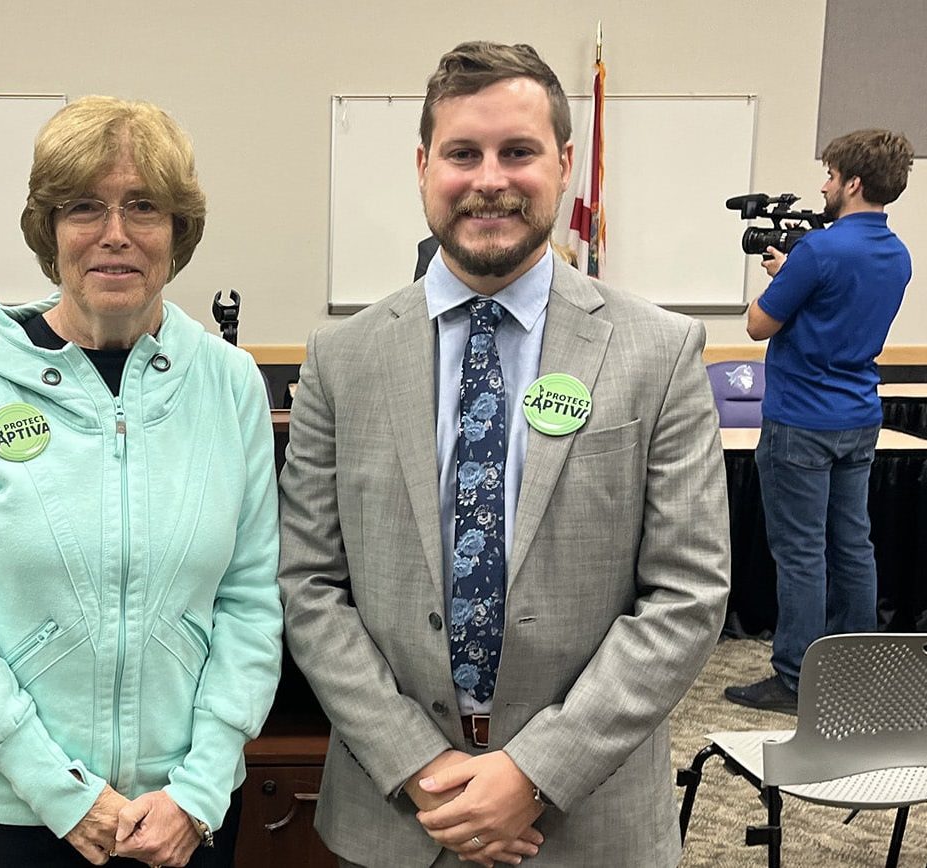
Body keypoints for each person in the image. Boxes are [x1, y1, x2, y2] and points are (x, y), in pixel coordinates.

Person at [278, 41, 730, 867]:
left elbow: (686, 593)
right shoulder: (342, 358)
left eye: (517, 151)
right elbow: (308, 584)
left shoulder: (658, 352)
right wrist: (418, 765)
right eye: (462, 153)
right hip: (395, 815)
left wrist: (536, 770)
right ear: (423, 167)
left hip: (587, 822)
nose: (489, 179)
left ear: (563, 164)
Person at [0, 95, 283, 868]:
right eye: (83, 207)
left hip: (182, 807)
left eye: (143, 206)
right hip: (3, 803)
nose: (114, 233)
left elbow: (249, 602)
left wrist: (199, 788)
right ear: (49, 229)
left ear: (177, 229)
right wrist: (61, 790)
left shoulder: (229, 384)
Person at [725, 129, 913, 715]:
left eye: (830, 175)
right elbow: (836, 307)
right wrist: (795, 274)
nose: (824, 186)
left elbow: (758, 325)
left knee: (801, 552)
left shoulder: (820, 251)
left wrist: (783, 277)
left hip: (801, 421)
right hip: (859, 416)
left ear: (853, 182)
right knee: (853, 544)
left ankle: (795, 678)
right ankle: (855, 670)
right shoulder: (897, 253)